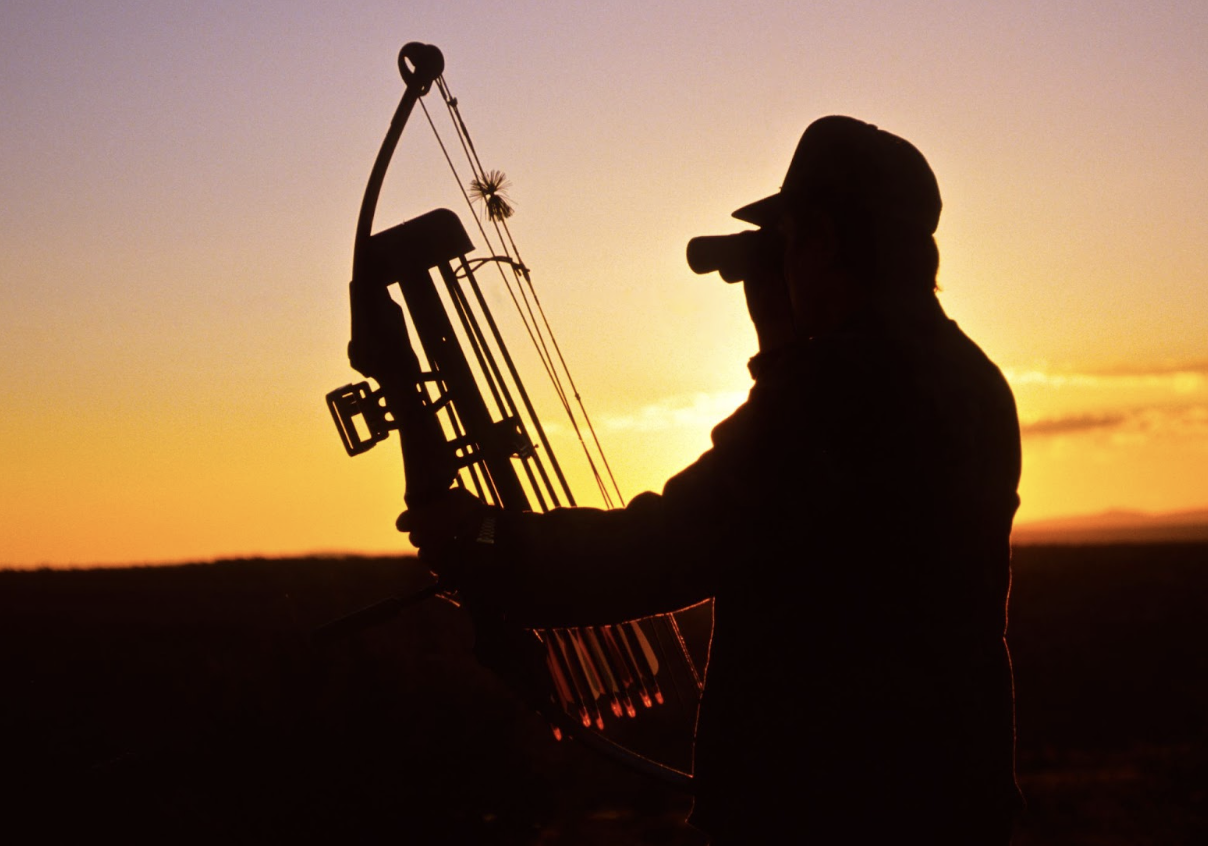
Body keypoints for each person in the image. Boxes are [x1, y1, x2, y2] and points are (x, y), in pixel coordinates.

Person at [401, 116, 1023, 844]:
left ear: (819, 237)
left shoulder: (835, 390)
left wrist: (486, 540)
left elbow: (668, 545)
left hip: (830, 808)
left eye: (787, 240)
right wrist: (785, 354)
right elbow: (813, 521)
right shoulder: (969, 378)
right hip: (946, 796)